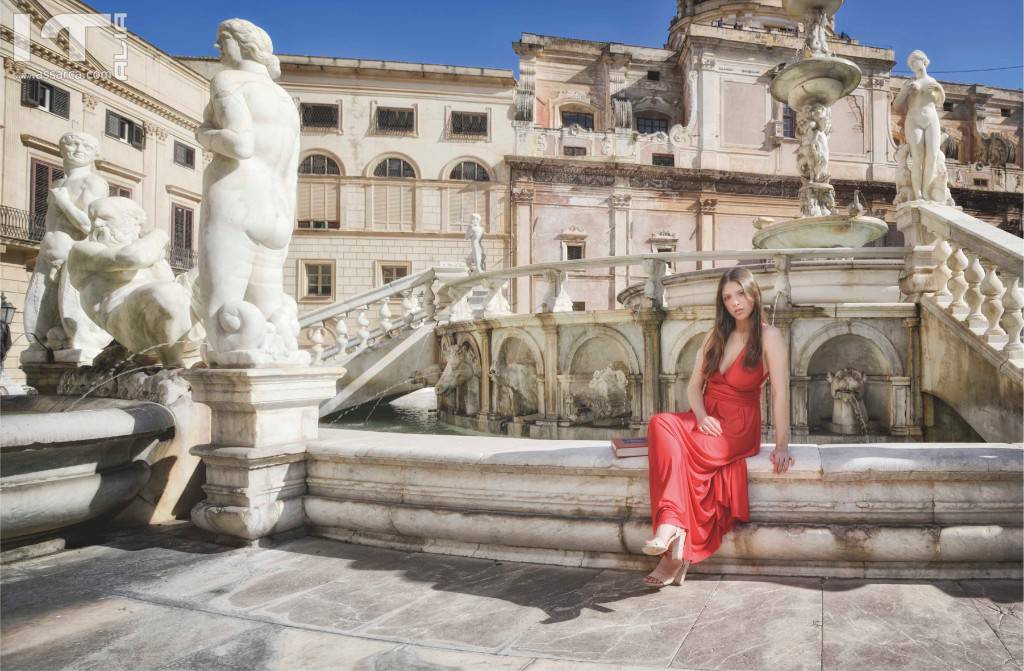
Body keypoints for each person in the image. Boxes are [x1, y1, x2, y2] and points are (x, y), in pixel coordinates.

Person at [642, 267, 792, 587]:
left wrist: (782, 444)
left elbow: (780, 394)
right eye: (727, 297)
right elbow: (694, 387)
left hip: (738, 427)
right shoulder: (716, 335)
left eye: (740, 293)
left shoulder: (770, 337)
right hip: (706, 417)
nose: (735, 302)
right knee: (660, 424)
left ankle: (671, 537)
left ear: (754, 294)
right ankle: (674, 533)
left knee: (683, 456)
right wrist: (700, 417)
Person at [893, 50, 945, 202]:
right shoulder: (909, 83)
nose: (913, 64)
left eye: (915, 60)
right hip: (914, 120)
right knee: (918, 158)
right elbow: (896, 105)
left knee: (933, 156)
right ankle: (918, 194)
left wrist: (939, 89)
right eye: (911, 62)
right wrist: (904, 92)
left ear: (924, 61)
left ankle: (927, 191)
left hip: (931, 119)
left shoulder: (932, 81)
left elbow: (940, 101)